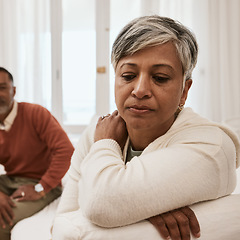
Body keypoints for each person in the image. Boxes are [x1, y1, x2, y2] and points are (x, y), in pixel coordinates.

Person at [52, 15, 240, 240]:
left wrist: (129, 208)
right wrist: (141, 210)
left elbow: (96, 207)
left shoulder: (210, 145)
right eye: (128, 76)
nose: (140, 90)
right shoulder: (98, 130)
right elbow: (60, 225)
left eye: (160, 78)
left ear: (184, 91)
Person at [0, 67, 74, 240]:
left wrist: (40, 188)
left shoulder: (36, 114)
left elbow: (65, 151)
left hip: (44, 184)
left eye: (2, 87)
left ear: (14, 90)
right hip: (11, 180)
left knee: (2, 222)